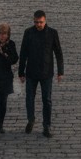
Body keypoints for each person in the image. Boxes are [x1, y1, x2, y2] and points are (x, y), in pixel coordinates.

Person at [18, 10, 64, 139]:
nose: (38, 24)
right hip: (31, 72)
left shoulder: (52, 33)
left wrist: (61, 72)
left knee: (47, 100)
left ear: (45, 20)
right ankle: (31, 119)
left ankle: (46, 126)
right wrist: (21, 72)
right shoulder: (28, 32)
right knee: (29, 99)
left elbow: (58, 53)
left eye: (40, 22)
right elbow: (23, 54)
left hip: (46, 73)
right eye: (36, 22)